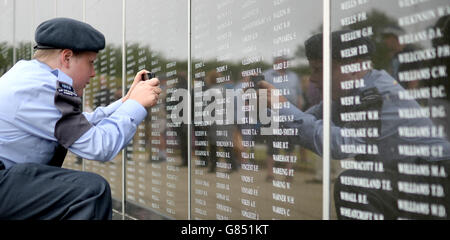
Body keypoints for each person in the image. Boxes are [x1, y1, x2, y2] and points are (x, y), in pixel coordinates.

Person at [257, 30, 450, 219]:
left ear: (354, 67)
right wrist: (264, 109)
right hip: (413, 175)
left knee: (353, 185)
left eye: (320, 69)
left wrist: (280, 106)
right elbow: (298, 124)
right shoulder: (348, 94)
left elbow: (343, 144)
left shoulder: (375, 92)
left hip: (437, 176)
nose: (313, 79)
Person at [0, 18, 161, 219]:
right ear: (67, 57)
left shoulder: (33, 77)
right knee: (91, 192)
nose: (93, 73)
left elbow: (77, 123)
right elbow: (100, 146)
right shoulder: (39, 88)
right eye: (90, 63)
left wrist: (126, 101)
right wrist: (135, 106)